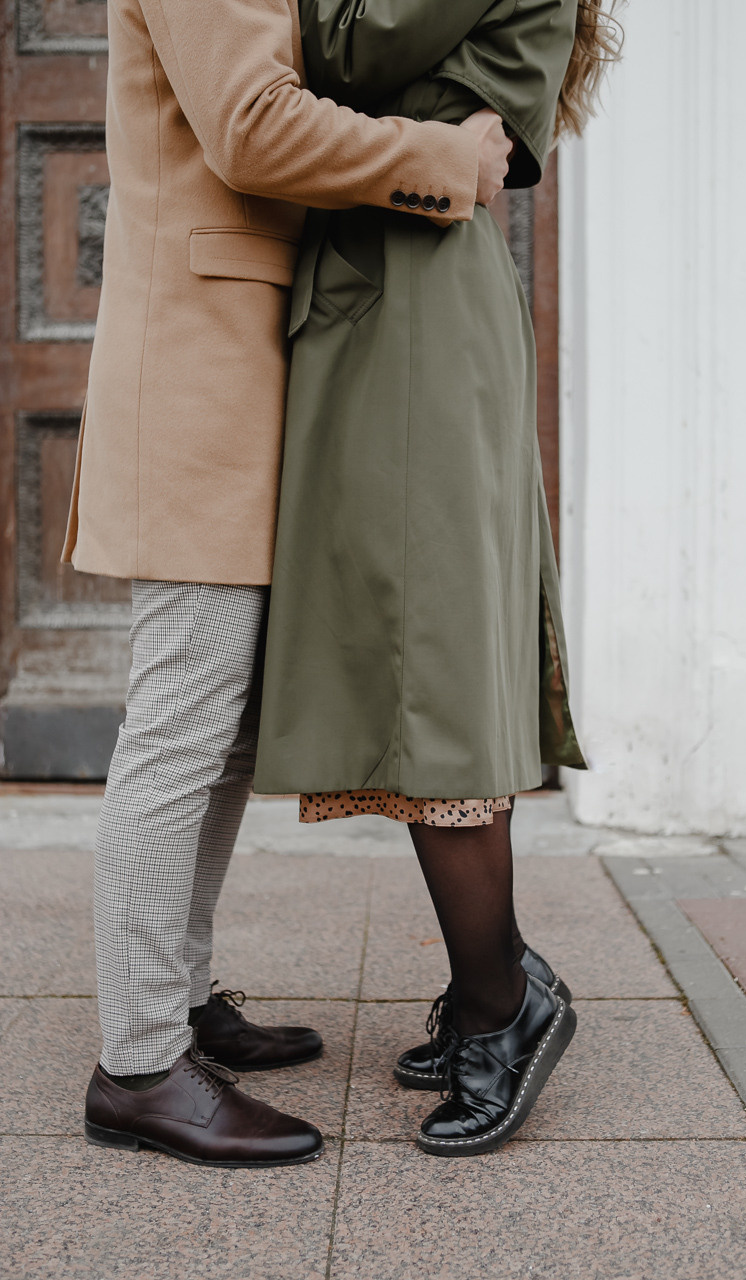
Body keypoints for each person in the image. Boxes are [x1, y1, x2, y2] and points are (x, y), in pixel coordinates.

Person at [61, 0, 513, 1170]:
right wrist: (442, 159)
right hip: (201, 361)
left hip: (254, 363)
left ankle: (179, 996)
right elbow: (252, 127)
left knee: (222, 732)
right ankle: (141, 1064)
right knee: (180, 721)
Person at [254, 0, 621, 1156]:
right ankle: (484, 990)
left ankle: (506, 1004)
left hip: (415, 305)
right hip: (396, 292)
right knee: (415, 646)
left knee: (432, 657)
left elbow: (354, 47)